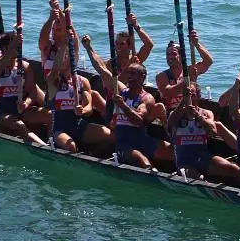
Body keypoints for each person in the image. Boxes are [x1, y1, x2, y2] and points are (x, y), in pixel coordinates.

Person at [83, 36, 168, 169]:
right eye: (129, 73)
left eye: (134, 74)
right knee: (143, 163)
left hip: (143, 140)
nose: (130, 77)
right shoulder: (121, 90)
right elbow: (102, 69)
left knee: (172, 154)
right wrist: (89, 48)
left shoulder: (147, 98)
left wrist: (123, 105)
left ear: (143, 77)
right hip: (125, 144)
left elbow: (139, 120)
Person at [45, 32, 112, 155]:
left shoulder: (83, 81)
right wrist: (64, 44)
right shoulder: (54, 80)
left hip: (79, 125)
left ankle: (92, 154)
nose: (65, 59)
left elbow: (90, 107)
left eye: (68, 57)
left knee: (110, 136)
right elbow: (55, 69)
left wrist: (83, 111)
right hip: (59, 128)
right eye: (63, 57)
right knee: (71, 147)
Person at [169, 89, 240, 186]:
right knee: (199, 179)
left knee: (234, 169)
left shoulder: (206, 113)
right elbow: (170, 123)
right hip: (184, 161)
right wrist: (183, 102)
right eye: (188, 95)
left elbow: (213, 132)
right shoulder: (177, 114)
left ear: (199, 95)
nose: (191, 98)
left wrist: (198, 116)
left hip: (203, 157)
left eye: (193, 94)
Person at [0, 30, 47, 145]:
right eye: (14, 45)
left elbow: (32, 92)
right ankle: (45, 148)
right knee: (20, 125)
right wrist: (12, 47)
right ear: (5, 48)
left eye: (18, 45)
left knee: (49, 116)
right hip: (2, 112)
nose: (18, 47)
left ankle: (52, 142)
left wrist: (26, 103)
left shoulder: (25, 66)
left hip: (22, 109)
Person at [154, 32, 213, 114]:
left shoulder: (190, 70)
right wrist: (187, 78)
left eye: (173, 54)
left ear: (181, 56)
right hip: (173, 114)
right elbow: (169, 92)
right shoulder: (161, 76)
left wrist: (196, 44)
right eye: (168, 54)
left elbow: (208, 61)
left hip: (191, 110)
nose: (170, 57)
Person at [110, 12, 154, 86]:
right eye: (116, 43)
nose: (117, 47)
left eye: (122, 44)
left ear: (130, 46)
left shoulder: (136, 59)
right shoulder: (111, 63)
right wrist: (129, 64)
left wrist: (136, 26)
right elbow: (116, 85)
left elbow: (149, 45)